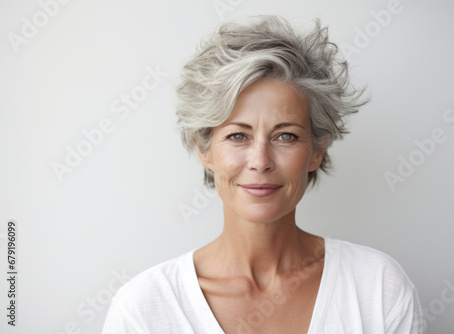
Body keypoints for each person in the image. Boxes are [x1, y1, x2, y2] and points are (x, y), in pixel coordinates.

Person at [103, 15, 425, 333]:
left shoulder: (377, 289)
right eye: (237, 136)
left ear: (316, 150)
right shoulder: (143, 310)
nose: (260, 161)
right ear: (204, 150)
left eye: (285, 136)